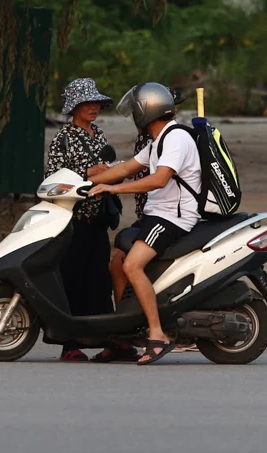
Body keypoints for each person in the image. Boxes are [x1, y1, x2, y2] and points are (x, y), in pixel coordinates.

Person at [89, 82, 202, 365]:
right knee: (117, 262)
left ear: (146, 112)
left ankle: (157, 335)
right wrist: (81, 183)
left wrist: (113, 189)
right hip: (157, 215)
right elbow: (126, 168)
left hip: (172, 217)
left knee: (132, 265)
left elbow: (159, 179)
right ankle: (125, 336)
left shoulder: (176, 138)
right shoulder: (158, 141)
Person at [45, 77, 139, 363]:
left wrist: (112, 172)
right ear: (74, 107)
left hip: (98, 219)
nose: (94, 107)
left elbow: (107, 170)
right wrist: (88, 175)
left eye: (96, 102)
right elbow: (52, 182)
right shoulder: (63, 138)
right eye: (87, 103)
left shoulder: (98, 134)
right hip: (72, 221)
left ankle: (113, 341)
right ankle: (69, 345)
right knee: (73, 280)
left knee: (100, 282)